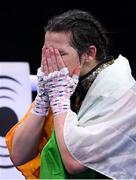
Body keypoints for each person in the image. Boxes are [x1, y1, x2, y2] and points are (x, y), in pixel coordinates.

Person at [5, 9, 136, 179]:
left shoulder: (121, 92)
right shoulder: (60, 83)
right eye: (46, 53)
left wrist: (59, 101)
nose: (49, 62)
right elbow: (18, 155)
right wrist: (43, 99)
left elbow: (74, 163)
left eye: (59, 54)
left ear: (89, 54)